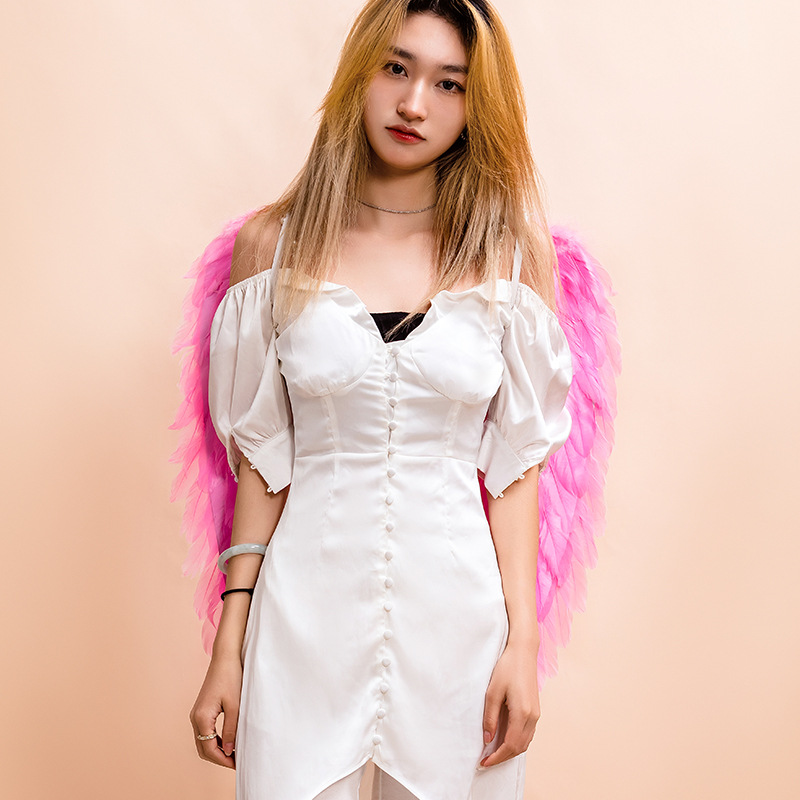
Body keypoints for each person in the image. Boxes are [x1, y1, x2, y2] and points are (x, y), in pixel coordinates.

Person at [187, 1, 576, 798]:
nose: (414, 104)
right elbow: (262, 464)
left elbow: (517, 471)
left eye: (449, 83)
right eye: (396, 68)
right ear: (359, 73)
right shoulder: (272, 247)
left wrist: (523, 646)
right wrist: (229, 645)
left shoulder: (511, 256)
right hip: (302, 621)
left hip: (459, 629)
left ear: (476, 105)